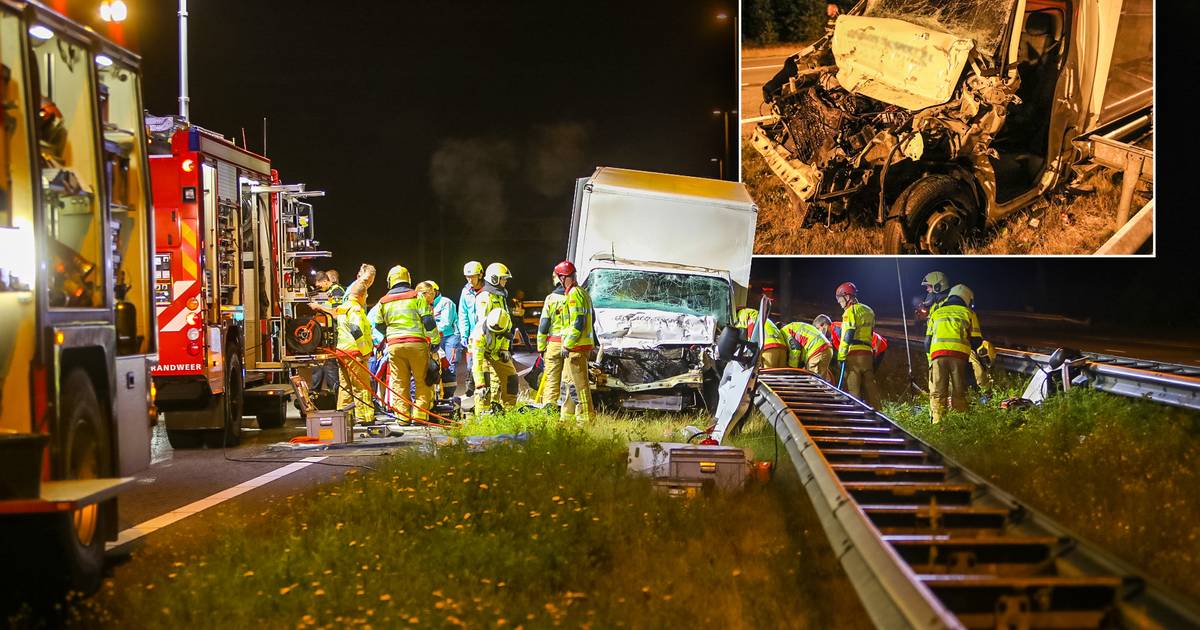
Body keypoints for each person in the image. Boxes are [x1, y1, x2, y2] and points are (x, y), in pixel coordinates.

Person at [372, 265, 438, 422]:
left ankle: (402, 417)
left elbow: (378, 325)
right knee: (422, 381)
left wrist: (391, 335)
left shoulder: (383, 301)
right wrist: (435, 341)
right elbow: (428, 321)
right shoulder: (417, 297)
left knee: (399, 382)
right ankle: (420, 416)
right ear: (408, 279)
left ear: (390, 281)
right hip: (417, 344)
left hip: (395, 346)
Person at [921, 271, 991, 392]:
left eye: (929, 287)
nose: (927, 290)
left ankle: (983, 391)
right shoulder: (935, 306)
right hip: (942, 349)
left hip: (958, 347)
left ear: (938, 287)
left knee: (972, 368)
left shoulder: (946, 304)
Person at [926, 284, 978, 423]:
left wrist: (931, 361)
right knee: (959, 391)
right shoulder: (969, 313)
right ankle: (960, 422)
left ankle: (938, 424)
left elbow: (927, 342)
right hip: (959, 356)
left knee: (938, 392)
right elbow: (976, 340)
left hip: (937, 356)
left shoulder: (936, 313)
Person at [472, 262, 518, 412]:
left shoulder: (500, 296)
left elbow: (505, 324)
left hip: (498, 347)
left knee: (511, 379)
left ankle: (508, 411)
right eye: (503, 279)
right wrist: (479, 384)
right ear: (494, 279)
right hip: (484, 347)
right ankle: (482, 417)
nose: (505, 282)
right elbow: (486, 323)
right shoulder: (485, 297)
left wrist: (504, 348)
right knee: (484, 385)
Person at [554, 261, 596, 424]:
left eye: (559, 278)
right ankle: (567, 416)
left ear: (563, 277)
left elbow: (578, 322)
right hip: (576, 347)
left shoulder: (574, 294)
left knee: (580, 386)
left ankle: (586, 418)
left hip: (576, 348)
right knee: (568, 383)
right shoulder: (581, 293)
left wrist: (567, 344)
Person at [334, 282, 375, 425]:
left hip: (342, 352)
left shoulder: (342, 308)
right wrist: (365, 351)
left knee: (345, 387)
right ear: (362, 295)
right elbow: (355, 329)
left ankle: (344, 418)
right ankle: (365, 417)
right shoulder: (356, 309)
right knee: (361, 386)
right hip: (355, 353)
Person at [834, 282, 880, 408]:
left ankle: (857, 414)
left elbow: (848, 334)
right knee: (870, 387)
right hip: (868, 354)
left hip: (854, 354)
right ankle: (878, 413)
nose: (839, 302)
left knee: (853, 389)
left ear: (847, 296)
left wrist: (841, 355)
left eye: (840, 299)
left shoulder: (850, 311)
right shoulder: (868, 310)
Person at [308, 270, 346, 400]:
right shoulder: (328, 292)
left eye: (319, 285)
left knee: (331, 364)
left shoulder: (337, 291)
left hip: (335, 334)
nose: (319, 288)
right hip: (327, 334)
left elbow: (336, 313)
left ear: (325, 281)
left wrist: (319, 307)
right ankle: (318, 394)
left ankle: (336, 397)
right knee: (321, 363)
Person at [536, 274, 568, 407]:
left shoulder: (551, 299)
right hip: (572, 345)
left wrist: (541, 347)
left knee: (551, 380)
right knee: (570, 380)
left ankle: (550, 408)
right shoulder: (577, 296)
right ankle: (568, 410)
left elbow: (544, 325)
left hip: (554, 343)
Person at [458, 261, 485, 396]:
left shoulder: (488, 290)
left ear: (480, 275)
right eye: (467, 277)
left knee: (485, 366)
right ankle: (471, 385)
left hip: (486, 334)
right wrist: (464, 334)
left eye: (472, 277)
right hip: (473, 335)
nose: (470, 280)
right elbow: (463, 313)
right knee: (471, 364)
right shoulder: (466, 292)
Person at [426, 280, 459, 396]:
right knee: (433, 366)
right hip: (434, 338)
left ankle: (449, 395)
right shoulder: (424, 304)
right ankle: (436, 394)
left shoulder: (446, 303)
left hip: (449, 337)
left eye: (430, 292)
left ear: (435, 292)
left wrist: (429, 331)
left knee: (448, 366)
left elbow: (446, 323)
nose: (427, 295)